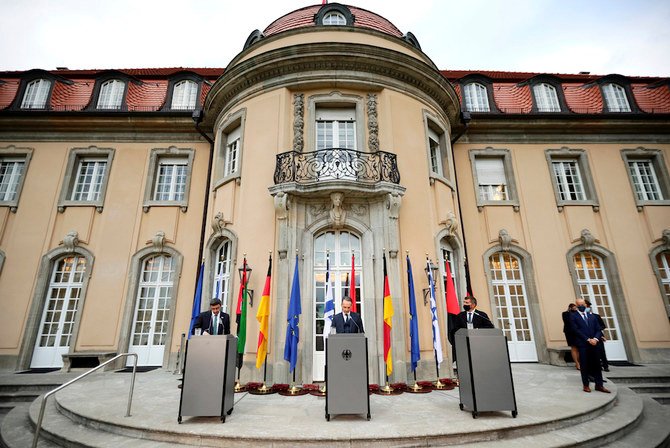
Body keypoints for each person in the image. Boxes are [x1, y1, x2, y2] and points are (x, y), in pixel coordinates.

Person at [570, 298, 610, 393]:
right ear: (576, 306)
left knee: (597, 364)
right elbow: (575, 330)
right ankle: (586, 385)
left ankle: (599, 385)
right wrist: (587, 339)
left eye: (583, 304)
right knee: (584, 365)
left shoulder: (592, 316)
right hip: (583, 344)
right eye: (579, 305)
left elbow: (598, 329)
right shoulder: (573, 316)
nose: (582, 306)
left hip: (594, 343)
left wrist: (595, 339)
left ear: (585, 305)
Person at [585, 299, 609, 372]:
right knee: (592, 354)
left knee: (601, 352)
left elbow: (602, 326)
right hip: (588, 337)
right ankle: (597, 366)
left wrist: (598, 334)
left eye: (585, 306)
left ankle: (605, 366)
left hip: (598, 336)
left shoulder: (596, 316)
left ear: (588, 307)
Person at [562, 303, 580, 370]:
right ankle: (577, 363)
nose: (575, 308)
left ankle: (580, 362)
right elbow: (567, 321)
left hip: (578, 332)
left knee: (579, 347)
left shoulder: (578, 313)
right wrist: (570, 312)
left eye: (576, 307)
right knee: (574, 347)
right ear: (570, 308)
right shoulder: (565, 313)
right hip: (570, 333)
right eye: (573, 307)